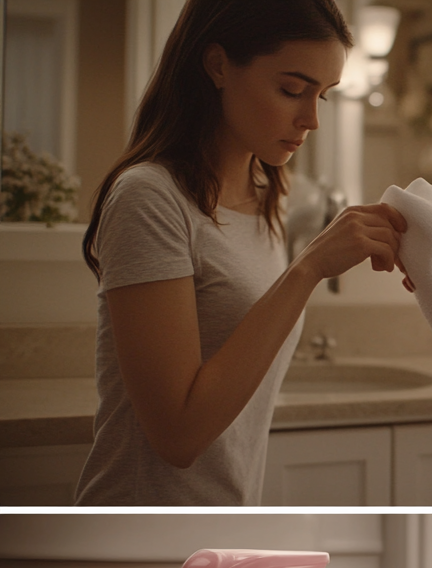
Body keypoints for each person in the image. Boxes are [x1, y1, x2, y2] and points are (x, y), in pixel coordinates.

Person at [75, 0, 406, 505]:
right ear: (218, 65)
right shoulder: (150, 197)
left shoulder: (266, 195)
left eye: (324, 95)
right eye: (292, 90)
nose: (312, 119)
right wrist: (310, 266)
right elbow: (179, 437)